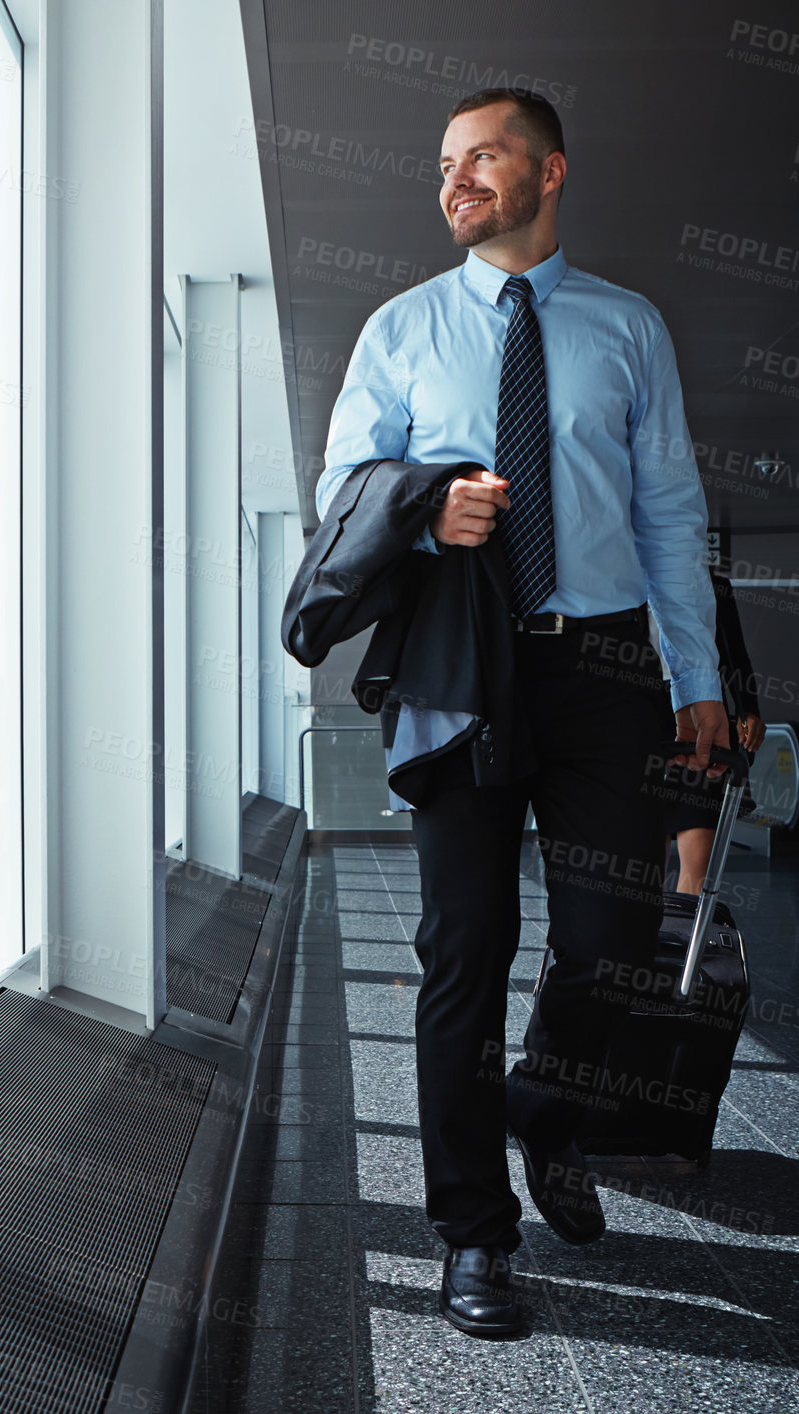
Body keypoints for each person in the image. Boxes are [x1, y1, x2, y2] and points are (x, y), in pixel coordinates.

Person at [315, 86, 728, 1338]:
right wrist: (424, 506)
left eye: (480, 156)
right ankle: (471, 1238)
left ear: (550, 169)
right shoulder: (400, 328)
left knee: (612, 943)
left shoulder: (626, 327)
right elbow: (342, 482)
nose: (454, 179)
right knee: (465, 950)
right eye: (443, 163)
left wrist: (698, 677)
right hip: (462, 661)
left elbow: (668, 509)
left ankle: (547, 1120)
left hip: (605, 669)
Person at [657, 567, 765, 894]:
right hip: (640, 707)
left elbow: (735, 656)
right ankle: (643, 942)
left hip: (700, 706)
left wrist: (749, 708)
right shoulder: (620, 580)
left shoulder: (713, 585)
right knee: (642, 851)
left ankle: (685, 941)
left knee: (698, 849)